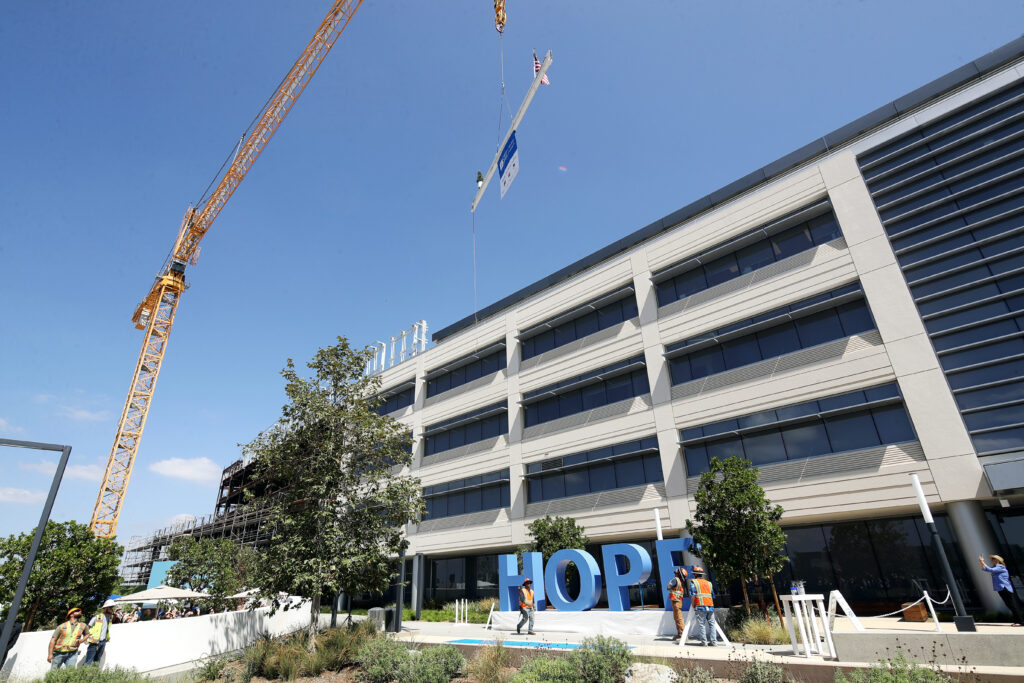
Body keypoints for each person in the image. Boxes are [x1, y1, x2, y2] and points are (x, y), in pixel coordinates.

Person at [979, 554, 1022, 626]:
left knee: (1012, 605)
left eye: (993, 559)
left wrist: (982, 562)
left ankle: (1020, 622)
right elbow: (984, 569)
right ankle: (1017, 621)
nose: (992, 560)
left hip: (1005, 588)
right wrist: (981, 562)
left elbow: (990, 569)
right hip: (1000, 588)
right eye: (992, 559)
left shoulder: (1001, 567)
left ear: (998, 560)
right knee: (1009, 605)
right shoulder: (995, 568)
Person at [688, 566, 718, 646]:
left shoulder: (694, 582)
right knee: (712, 624)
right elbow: (712, 595)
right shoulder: (709, 583)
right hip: (710, 606)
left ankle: (704, 642)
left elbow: (693, 595)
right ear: (702, 575)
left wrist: (693, 604)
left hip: (700, 606)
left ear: (695, 575)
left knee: (702, 624)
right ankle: (714, 642)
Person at [83, 600, 116, 665]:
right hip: (94, 642)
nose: (112, 609)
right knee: (88, 661)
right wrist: (85, 639)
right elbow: (87, 627)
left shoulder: (110, 618)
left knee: (97, 661)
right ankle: (83, 674)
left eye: (113, 607)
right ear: (106, 608)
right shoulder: (97, 617)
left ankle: (94, 674)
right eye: (111, 607)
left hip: (103, 642)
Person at [666, 568, 688, 641]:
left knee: (678, 619)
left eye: (678, 570)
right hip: (678, 601)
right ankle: (680, 635)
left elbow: (668, 587)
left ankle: (683, 636)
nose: (676, 570)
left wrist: (669, 583)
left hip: (676, 602)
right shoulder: (680, 581)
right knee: (677, 618)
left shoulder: (675, 580)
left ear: (678, 573)